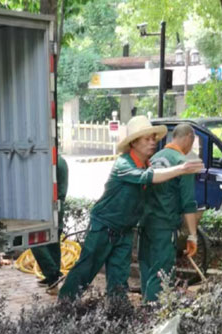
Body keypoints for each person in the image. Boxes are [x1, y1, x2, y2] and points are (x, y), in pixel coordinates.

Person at [58, 116, 203, 302]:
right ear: (134, 142)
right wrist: (181, 169)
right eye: (147, 139)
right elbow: (147, 177)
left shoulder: (149, 163)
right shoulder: (124, 164)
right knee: (85, 271)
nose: (152, 143)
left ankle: (117, 311)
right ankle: (64, 305)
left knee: (119, 279)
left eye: (153, 139)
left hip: (125, 231)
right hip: (103, 227)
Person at [139, 122, 200, 301]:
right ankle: (153, 313)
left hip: (145, 224)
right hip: (164, 227)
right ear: (188, 138)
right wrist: (192, 236)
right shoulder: (183, 164)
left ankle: (144, 310)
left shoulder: (152, 159)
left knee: (147, 270)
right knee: (161, 276)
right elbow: (188, 204)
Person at [33, 154, 69, 292]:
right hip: (58, 206)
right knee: (53, 242)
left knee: (35, 241)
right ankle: (52, 279)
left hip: (49, 206)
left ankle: (52, 274)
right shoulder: (61, 161)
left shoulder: (50, 161)